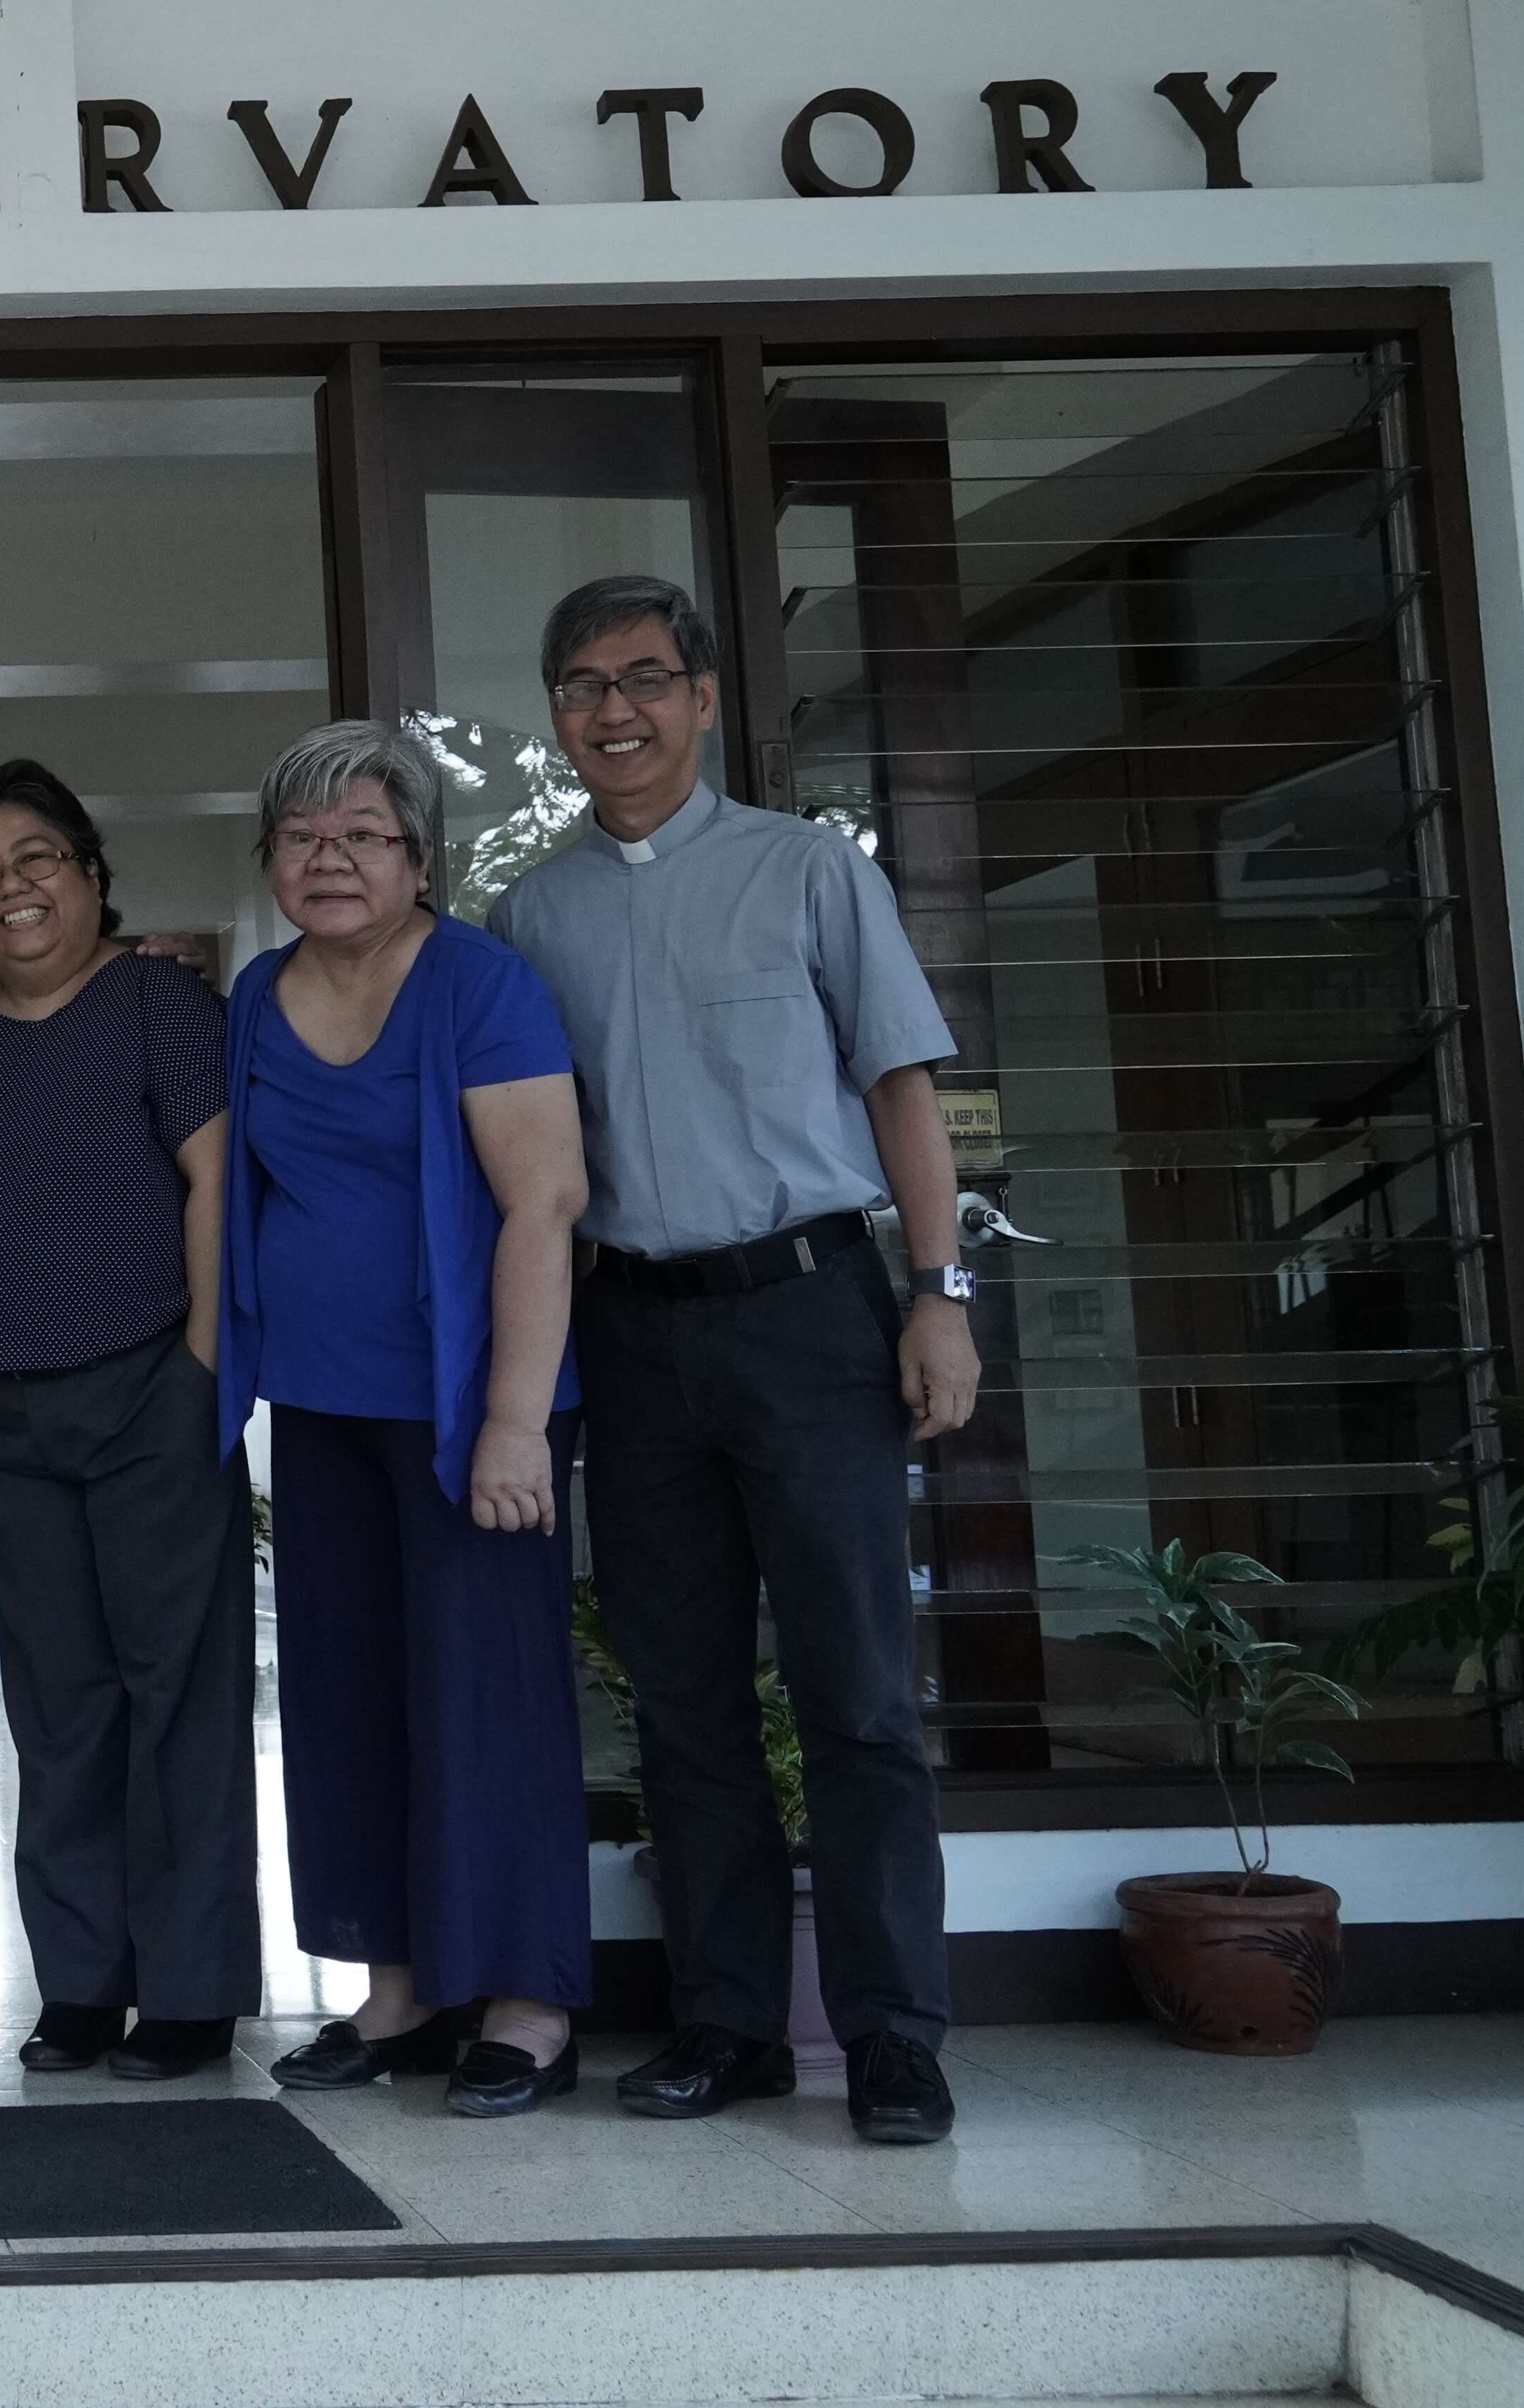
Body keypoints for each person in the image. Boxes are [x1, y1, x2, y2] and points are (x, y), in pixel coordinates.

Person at [487, 574, 978, 2147]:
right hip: (633, 1331)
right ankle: (729, 2022)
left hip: (810, 1312)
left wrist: (938, 1289)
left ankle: (895, 2029)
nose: (611, 710)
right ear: (556, 714)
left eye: (643, 676)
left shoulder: (811, 869)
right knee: (683, 1696)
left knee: (856, 1688)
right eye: (581, 685)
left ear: (701, 694)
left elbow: (901, 1089)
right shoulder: (530, 913)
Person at [218, 721, 594, 2120]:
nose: (331, 859)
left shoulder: (481, 985)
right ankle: (399, 1986)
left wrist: (510, 1420)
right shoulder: (258, 994)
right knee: (344, 1697)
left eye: (365, 833)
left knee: (487, 1699)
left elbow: (543, 1202)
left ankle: (528, 1996)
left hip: (466, 1412)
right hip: (317, 1407)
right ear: (271, 856)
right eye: (304, 836)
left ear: (422, 857)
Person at [0, 759, 258, 2080]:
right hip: (2, 1412)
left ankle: (189, 1991)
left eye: (39, 858)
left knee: (180, 1695)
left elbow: (218, 1179)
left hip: (151, 1390)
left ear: (94, 873)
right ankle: (79, 1987)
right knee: (55, 1709)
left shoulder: (162, 1004)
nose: (14, 888)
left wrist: (204, 1368)